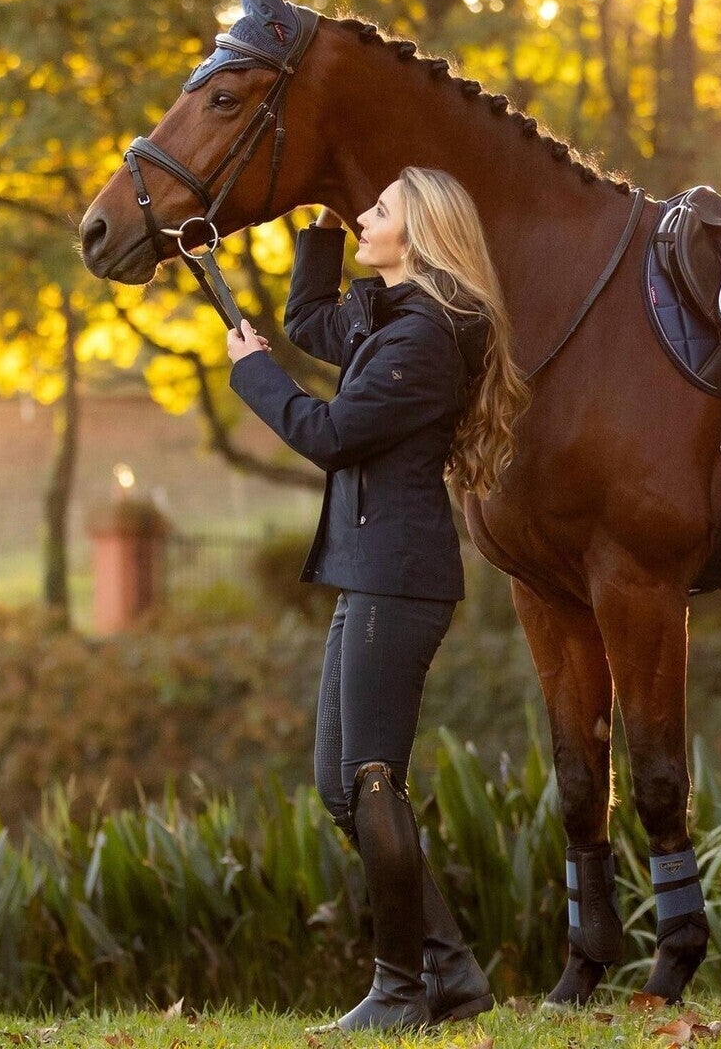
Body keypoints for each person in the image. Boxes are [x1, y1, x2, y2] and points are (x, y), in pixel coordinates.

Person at [225, 166, 529, 1031]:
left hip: (398, 578)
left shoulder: (423, 338)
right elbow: (312, 322)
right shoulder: (394, 319)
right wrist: (322, 230)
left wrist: (255, 376)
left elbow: (328, 433)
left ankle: (402, 993)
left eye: (379, 209)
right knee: (340, 787)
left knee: (371, 781)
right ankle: (451, 974)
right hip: (373, 573)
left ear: (421, 233)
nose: (367, 214)